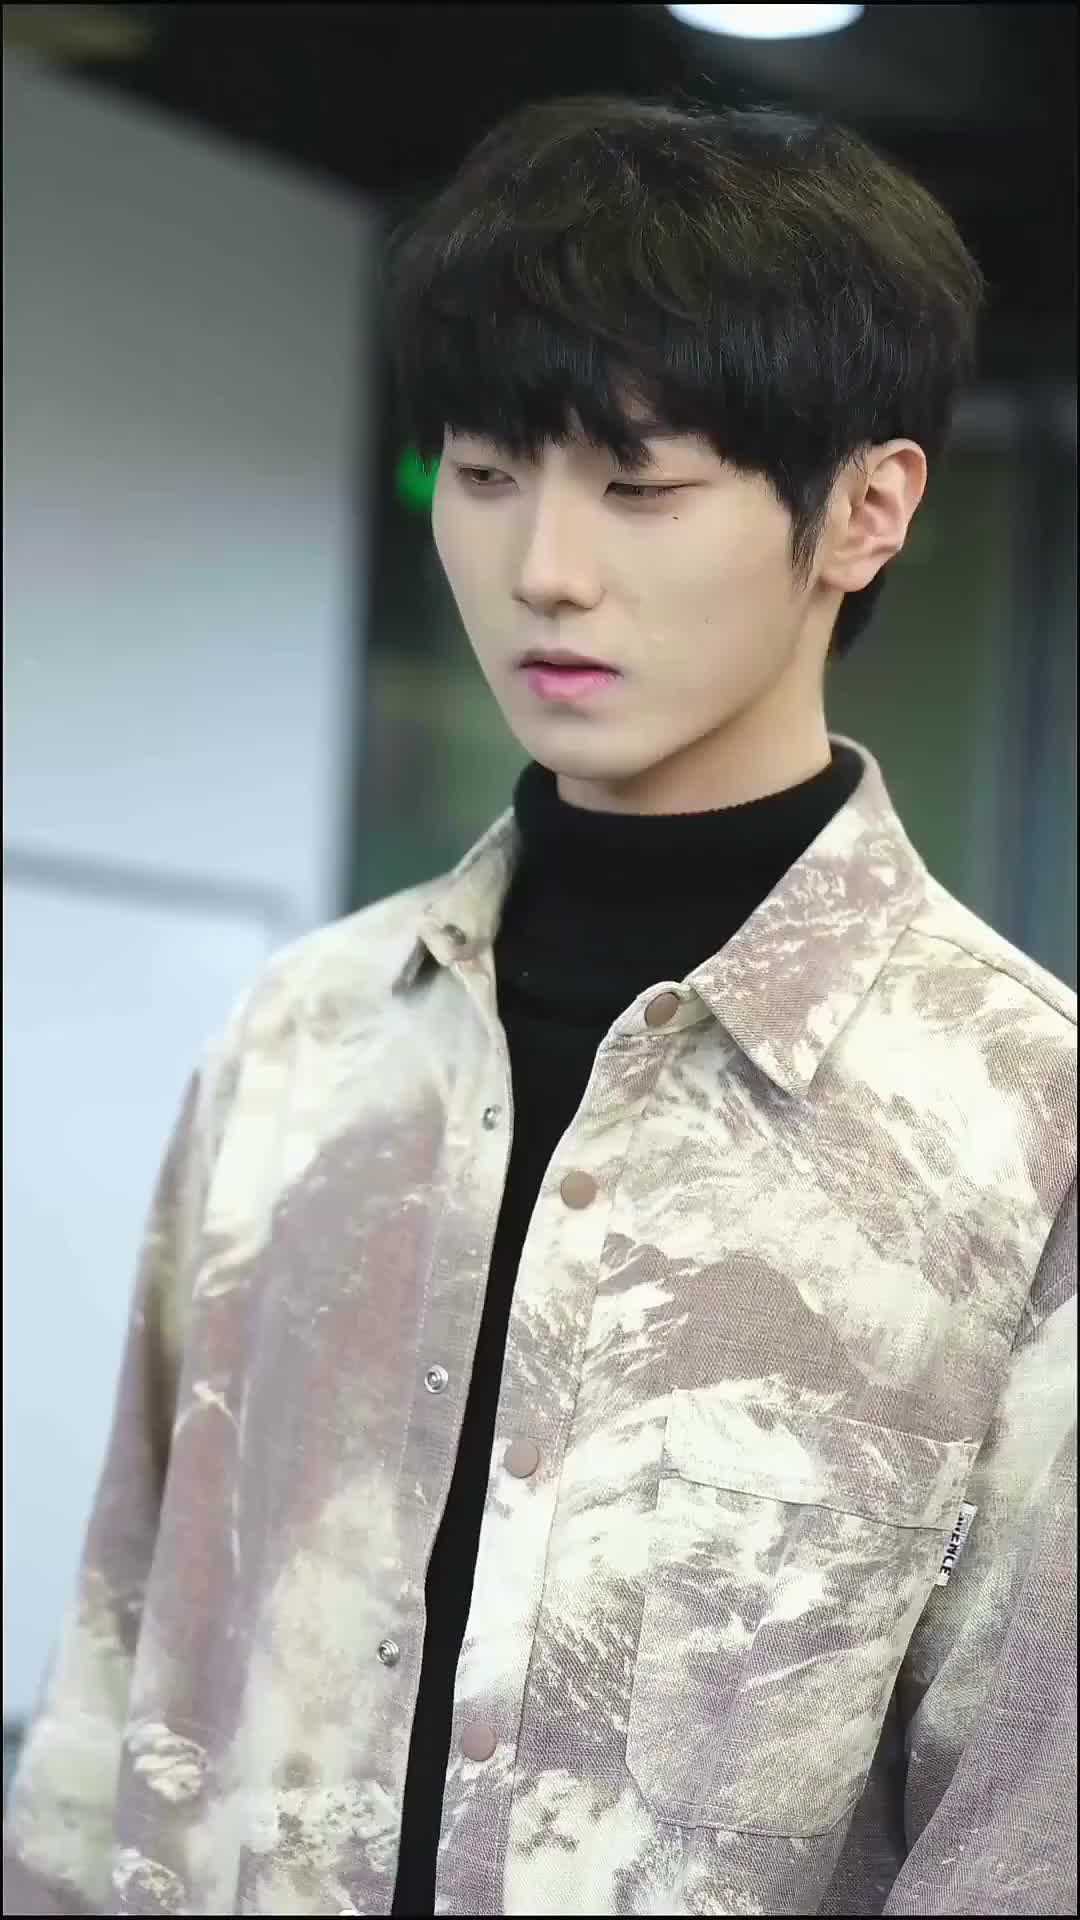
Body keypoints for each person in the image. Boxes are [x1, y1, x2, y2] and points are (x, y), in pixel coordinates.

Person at [4, 93, 1076, 1920]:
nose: (543, 569)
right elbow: (121, 1673)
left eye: (639, 487)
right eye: (488, 473)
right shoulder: (302, 1041)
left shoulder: (1021, 1120)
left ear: (867, 509)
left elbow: (1025, 1838)